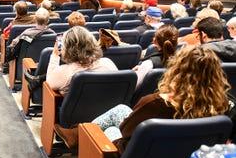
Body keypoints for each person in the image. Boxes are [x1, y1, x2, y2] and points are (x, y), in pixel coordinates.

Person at [54, 46, 235, 151]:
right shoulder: (225, 106)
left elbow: (125, 131)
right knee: (121, 109)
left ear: (177, 70)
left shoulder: (157, 102)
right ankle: (75, 134)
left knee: (109, 129)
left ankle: (80, 137)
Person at [46, 26, 118, 95]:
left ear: (67, 49)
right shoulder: (108, 63)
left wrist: (55, 55)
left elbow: (48, 85)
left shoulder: (64, 72)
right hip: (109, 107)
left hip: (77, 108)